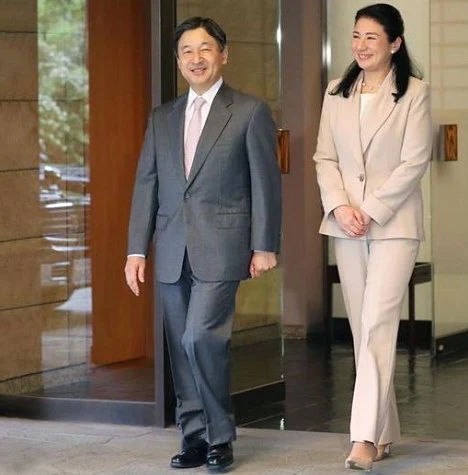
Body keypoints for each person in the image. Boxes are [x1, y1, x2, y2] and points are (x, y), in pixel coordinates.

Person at [124, 16, 281, 471]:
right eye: (187, 51)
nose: (196, 58)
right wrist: (137, 250)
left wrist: (264, 244)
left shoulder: (249, 112)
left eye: (205, 48)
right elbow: (146, 185)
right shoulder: (162, 117)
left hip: (224, 246)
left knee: (200, 337)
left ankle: (220, 435)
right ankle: (193, 436)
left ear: (223, 55)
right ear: (178, 61)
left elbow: (264, 183)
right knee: (180, 345)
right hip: (173, 250)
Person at [313, 3, 432, 471]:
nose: (361, 45)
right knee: (363, 327)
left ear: (395, 44)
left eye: (372, 38)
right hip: (345, 224)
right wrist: (341, 206)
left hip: (393, 227)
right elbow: (325, 158)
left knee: (378, 325)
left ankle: (362, 436)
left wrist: (371, 210)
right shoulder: (335, 92)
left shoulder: (414, 94)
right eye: (356, 36)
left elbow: (414, 161)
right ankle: (385, 433)